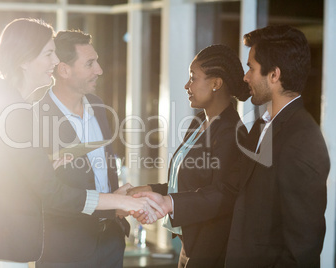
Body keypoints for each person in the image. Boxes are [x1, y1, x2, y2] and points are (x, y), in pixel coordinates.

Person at [0, 18, 161, 268]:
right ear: (24, 59)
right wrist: (119, 201)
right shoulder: (14, 111)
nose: (54, 61)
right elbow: (51, 193)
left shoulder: (5, 103)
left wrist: (43, 168)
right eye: (49, 53)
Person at [134, 25, 330, 268]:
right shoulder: (261, 127)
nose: (245, 77)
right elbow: (231, 190)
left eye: (251, 68)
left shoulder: (302, 139)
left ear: (274, 75)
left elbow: (303, 247)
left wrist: (168, 202)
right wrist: (163, 198)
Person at [128, 44, 250, 267]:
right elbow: (191, 182)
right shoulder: (197, 124)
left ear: (216, 83)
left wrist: (168, 203)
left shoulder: (233, 132)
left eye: (193, 78)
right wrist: (151, 190)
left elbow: (222, 195)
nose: (187, 85)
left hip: (211, 250)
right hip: (189, 244)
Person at [34, 30, 132, 268]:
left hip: (111, 242)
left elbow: (103, 171)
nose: (99, 70)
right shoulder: (35, 118)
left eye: (96, 61)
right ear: (64, 70)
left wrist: (117, 201)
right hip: (65, 249)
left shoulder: (99, 107)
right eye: (90, 63)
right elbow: (42, 192)